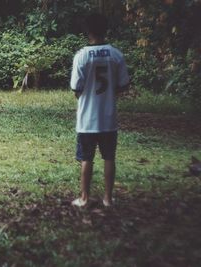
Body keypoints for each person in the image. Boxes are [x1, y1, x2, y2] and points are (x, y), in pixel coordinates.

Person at [70, 13, 130, 207]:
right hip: (108, 117)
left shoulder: (82, 56)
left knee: (86, 158)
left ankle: (84, 198)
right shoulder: (116, 54)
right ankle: (108, 198)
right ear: (106, 29)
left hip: (87, 119)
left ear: (88, 31)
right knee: (109, 157)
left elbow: (76, 89)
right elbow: (123, 86)